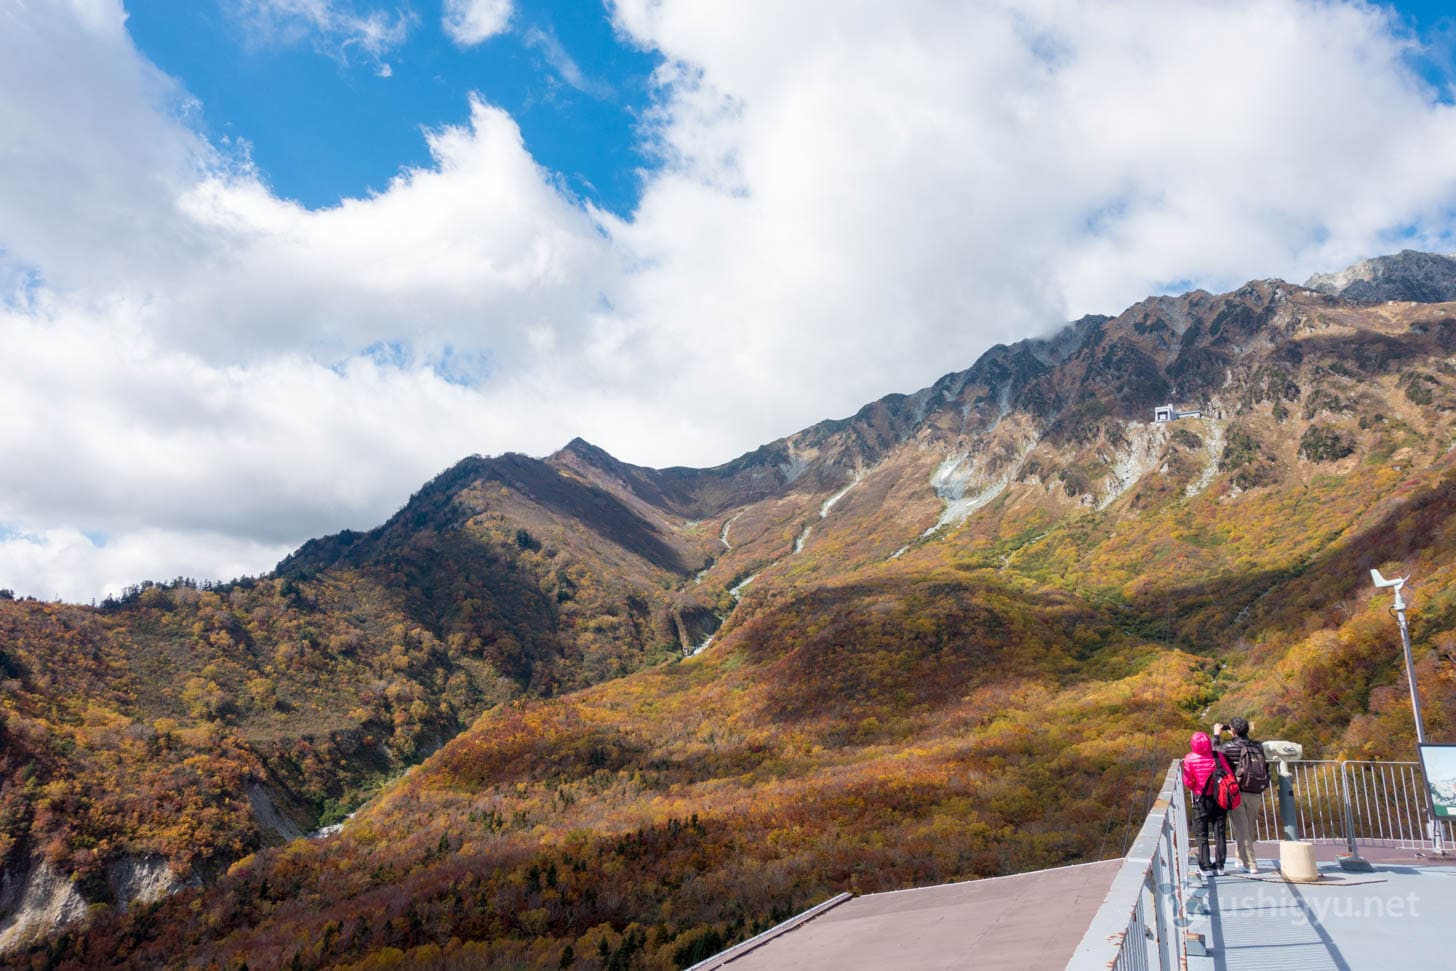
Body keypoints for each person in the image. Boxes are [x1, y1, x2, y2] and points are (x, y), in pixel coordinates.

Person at [1217, 717, 1268, 874]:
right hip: (1255, 789)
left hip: (1236, 791)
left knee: (1241, 827)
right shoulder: (1257, 746)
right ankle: (1240, 856)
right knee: (1249, 826)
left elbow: (1215, 752)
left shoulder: (1228, 747)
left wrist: (1217, 735)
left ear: (1232, 730)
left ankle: (1250, 863)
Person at [1182, 731, 1231, 875]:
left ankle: (1205, 866)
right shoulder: (1217, 756)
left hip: (1201, 798)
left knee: (1201, 833)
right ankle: (1220, 865)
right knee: (1219, 832)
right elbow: (1228, 774)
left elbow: (1188, 781)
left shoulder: (1189, 759)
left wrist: (1196, 786)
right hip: (1219, 798)